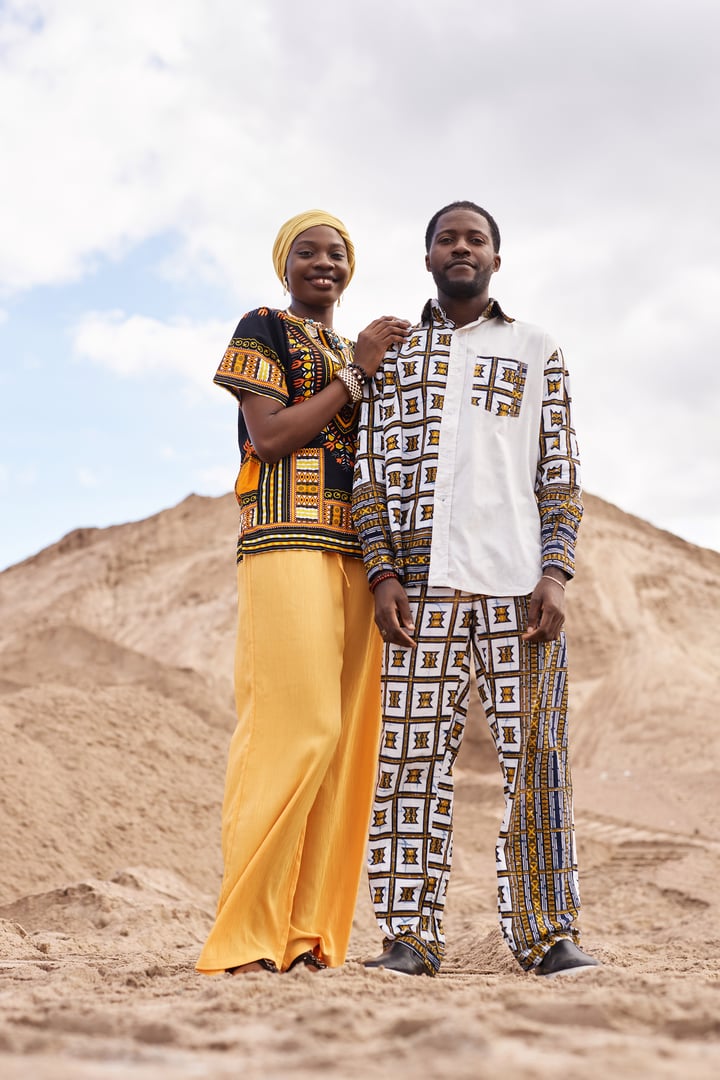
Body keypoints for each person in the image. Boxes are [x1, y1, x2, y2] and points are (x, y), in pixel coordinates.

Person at [352, 200, 600, 979]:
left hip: (517, 591)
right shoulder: (392, 352)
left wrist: (555, 573)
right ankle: (409, 939)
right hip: (417, 592)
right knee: (407, 762)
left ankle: (546, 935)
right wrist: (383, 570)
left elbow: (558, 471)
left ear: (497, 257)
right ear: (427, 258)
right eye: (446, 239)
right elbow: (368, 474)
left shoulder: (536, 349)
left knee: (538, 760)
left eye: (476, 239)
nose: (462, 248)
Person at [196, 210, 409, 976]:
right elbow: (272, 437)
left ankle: (306, 935)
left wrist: (388, 570)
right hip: (285, 541)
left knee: (346, 746)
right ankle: (245, 934)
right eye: (309, 253)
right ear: (286, 266)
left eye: (338, 253)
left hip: (357, 555)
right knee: (297, 727)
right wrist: (358, 373)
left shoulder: (359, 351)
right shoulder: (265, 328)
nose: (325, 264)